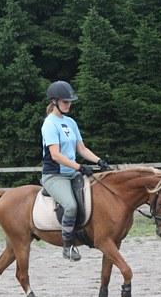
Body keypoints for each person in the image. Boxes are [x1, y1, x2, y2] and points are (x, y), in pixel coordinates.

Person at [41, 80, 110, 261]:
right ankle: (67, 246)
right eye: (65, 102)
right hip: (55, 175)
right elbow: (55, 155)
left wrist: (99, 161)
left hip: (72, 173)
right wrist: (79, 166)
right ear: (55, 102)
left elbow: (82, 149)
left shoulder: (70, 122)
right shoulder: (49, 124)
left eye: (70, 101)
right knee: (70, 206)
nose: (69, 104)